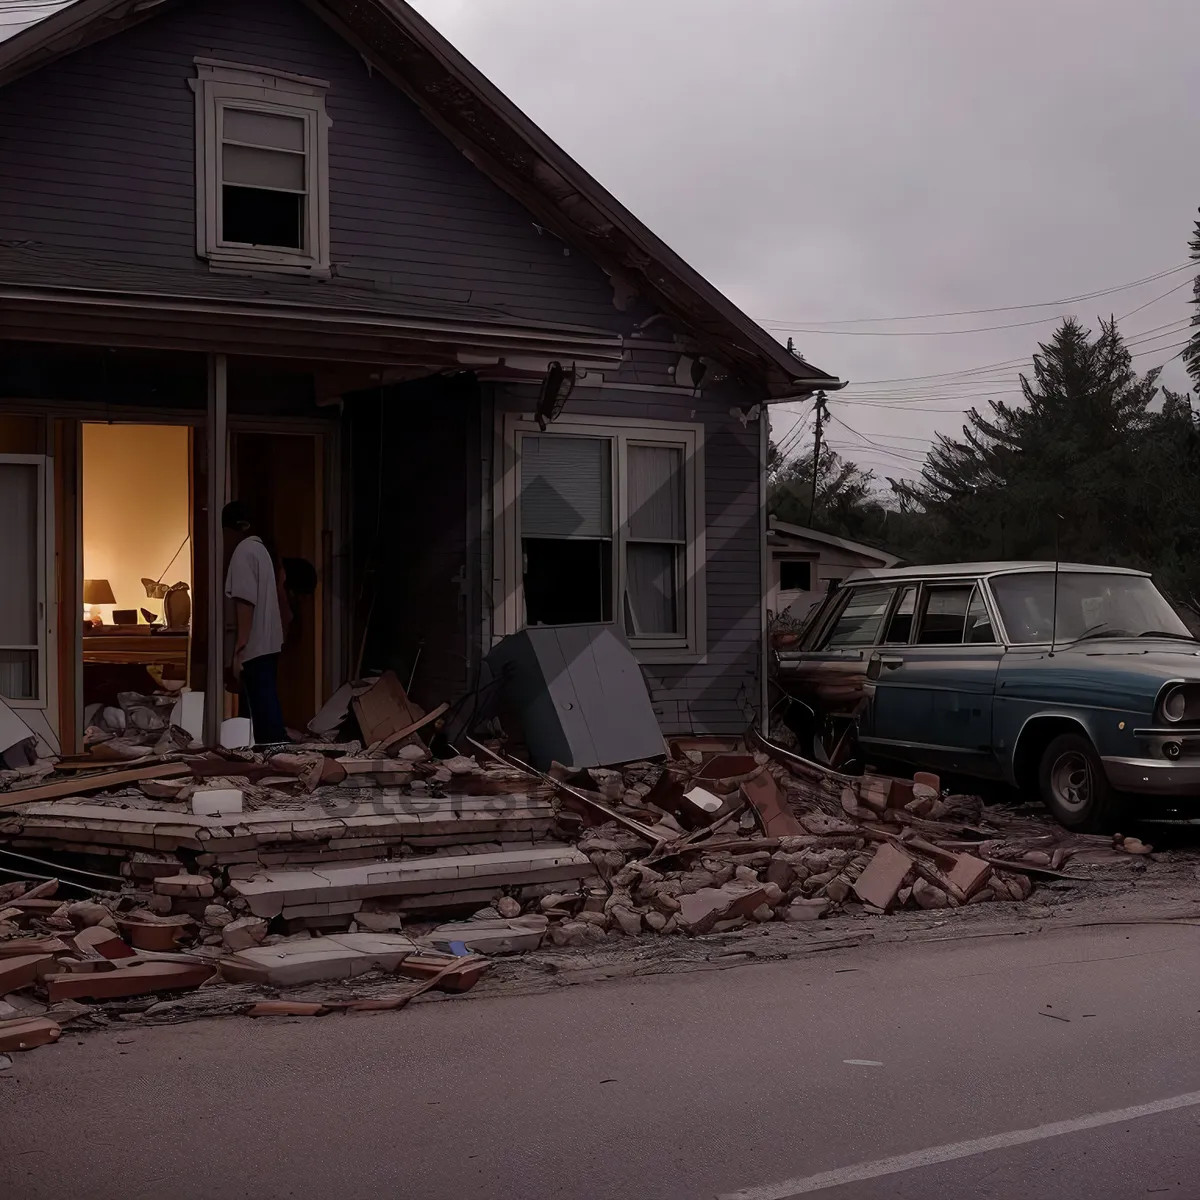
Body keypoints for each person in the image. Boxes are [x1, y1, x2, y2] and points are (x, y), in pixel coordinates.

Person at [222, 501, 287, 745]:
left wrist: (240, 648)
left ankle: (274, 753)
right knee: (263, 706)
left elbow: (245, 602)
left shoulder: (244, 551)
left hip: (255, 645)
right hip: (268, 643)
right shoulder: (261, 550)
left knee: (262, 713)